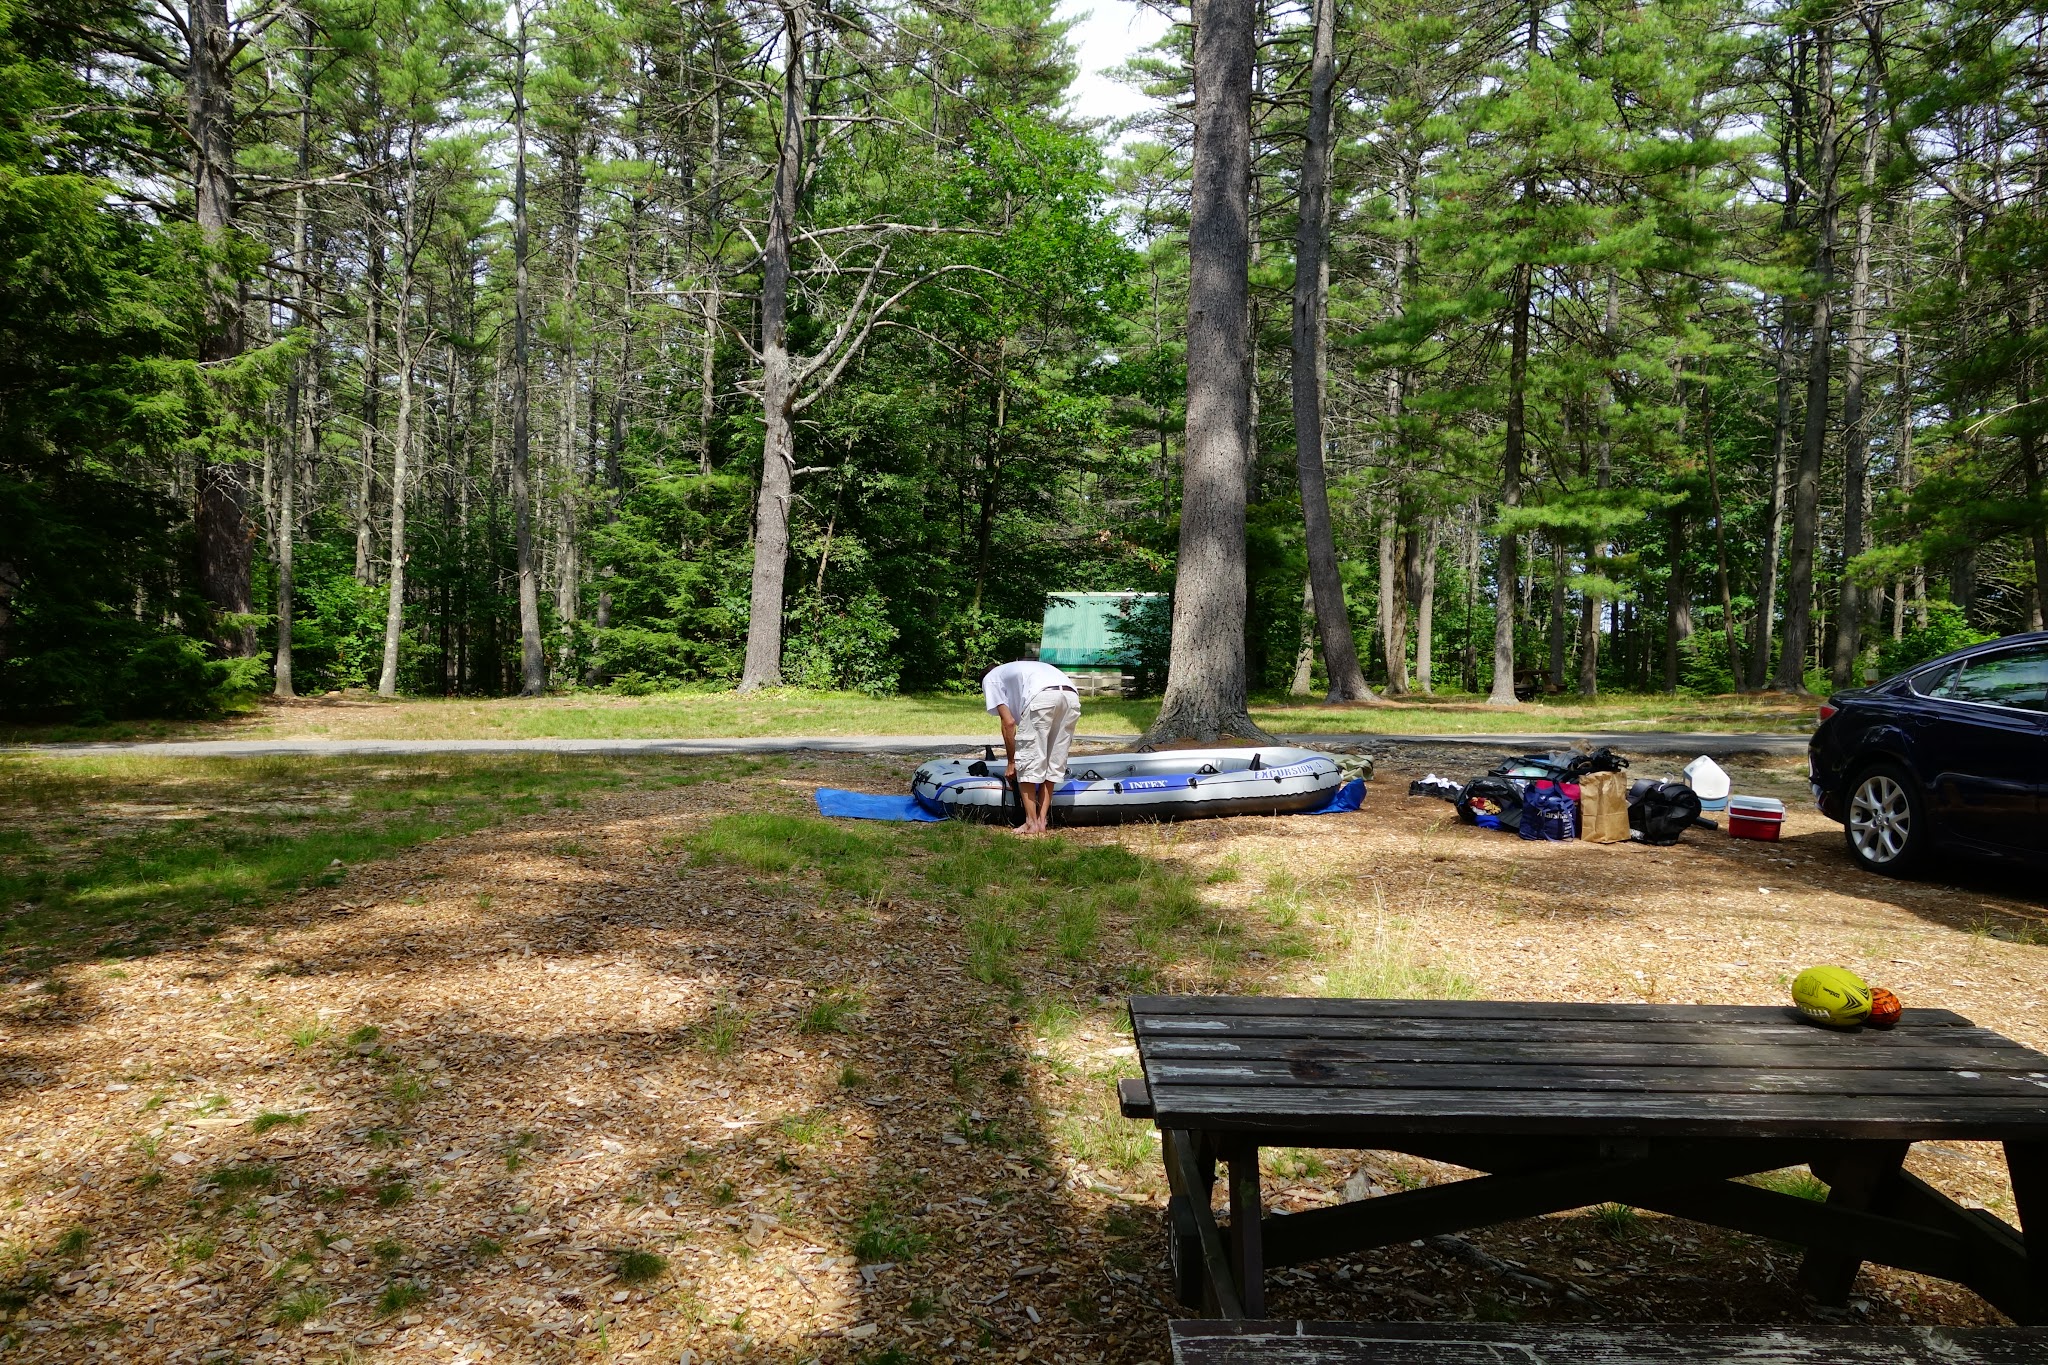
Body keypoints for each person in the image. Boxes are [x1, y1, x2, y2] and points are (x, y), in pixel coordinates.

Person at [982, 657, 1080, 835]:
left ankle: (1031, 823)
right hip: (1071, 696)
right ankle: (1042, 821)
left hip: (1042, 697)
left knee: (1027, 763)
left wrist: (1011, 762)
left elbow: (1009, 722)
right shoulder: (1020, 669)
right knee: (1053, 762)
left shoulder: (990, 678)